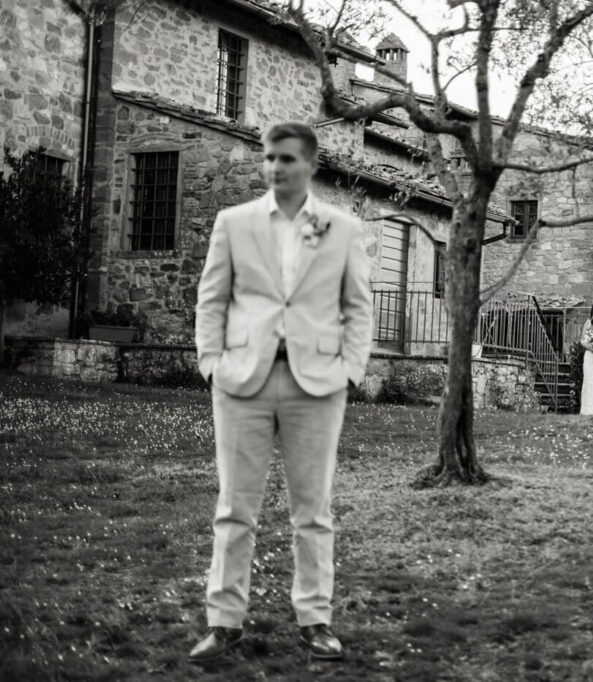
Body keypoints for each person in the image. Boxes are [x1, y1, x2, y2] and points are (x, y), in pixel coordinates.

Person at [189, 122, 372, 663]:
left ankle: (316, 622)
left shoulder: (342, 229)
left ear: (310, 165)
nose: (274, 167)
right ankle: (224, 623)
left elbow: (358, 308)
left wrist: (350, 372)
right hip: (241, 382)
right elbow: (212, 301)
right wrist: (212, 366)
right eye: (269, 158)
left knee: (312, 512)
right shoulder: (234, 223)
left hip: (316, 386)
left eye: (286, 159)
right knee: (234, 509)